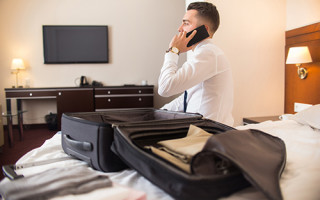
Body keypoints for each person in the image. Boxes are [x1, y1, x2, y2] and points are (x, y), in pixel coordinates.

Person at [158, 2, 234, 126]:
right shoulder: (205, 54)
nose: (180, 28)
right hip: (202, 131)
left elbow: (165, 88)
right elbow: (187, 98)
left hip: (209, 135)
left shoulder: (209, 54)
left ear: (203, 30)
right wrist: (158, 113)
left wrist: (173, 50)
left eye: (186, 23)